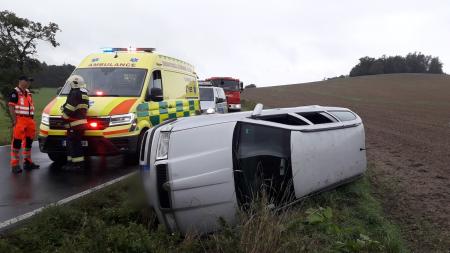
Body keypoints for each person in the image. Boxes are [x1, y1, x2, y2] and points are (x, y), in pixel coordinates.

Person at [8, 76, 40, 174]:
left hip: (29, 120)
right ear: (20, 81)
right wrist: (15, 120)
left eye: (29, 81)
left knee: (29, 142)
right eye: (26, 81)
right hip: (20, 119)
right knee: (17, 142)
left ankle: (27, 162)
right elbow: (11, 107)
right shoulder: (15, 92)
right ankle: (15, 164)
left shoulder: (28, 93)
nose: (28, 83)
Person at [61, 75, 89, 170]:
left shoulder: (75, 93)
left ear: (74, 83)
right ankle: (73, 163)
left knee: (73, 144)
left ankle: (76, 165)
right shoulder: (84, 93)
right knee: (75, 143)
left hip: (74, 124)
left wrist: (63, 118)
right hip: (80, 123)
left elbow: (70, 108)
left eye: (70, 84)